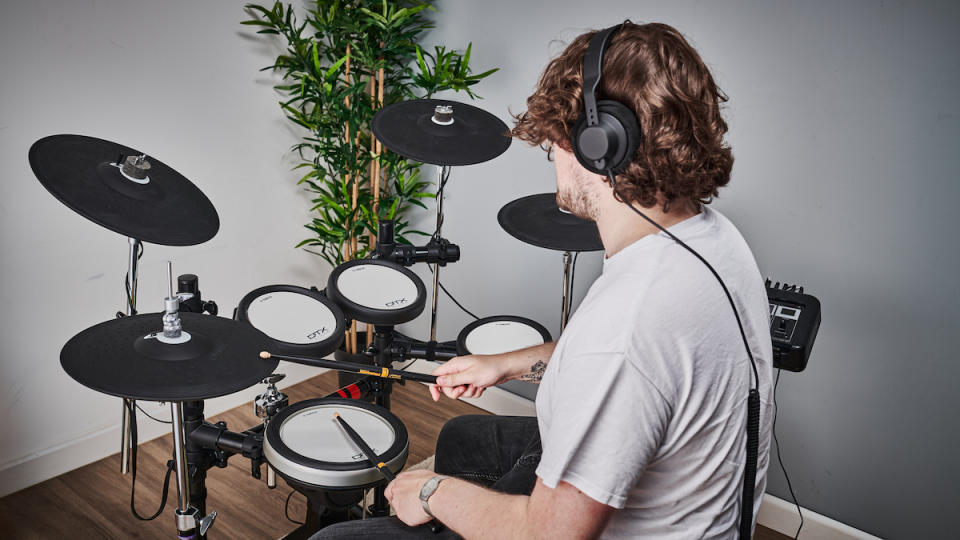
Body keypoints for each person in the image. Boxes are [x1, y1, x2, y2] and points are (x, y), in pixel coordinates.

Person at [314, 21, 773, 539]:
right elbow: (651, 368)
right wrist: (506, 364)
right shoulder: (711, 239)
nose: (552, 153)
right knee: (465, 438)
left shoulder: (629, 323)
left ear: (602, 145)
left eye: (559, 136)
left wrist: (429, 492)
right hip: (697, 512)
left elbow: (547, 536)